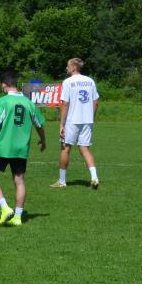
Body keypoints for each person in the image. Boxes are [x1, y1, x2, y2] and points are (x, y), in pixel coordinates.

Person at [0, 70, 46, 227]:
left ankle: (5, 208)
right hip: (21, 149)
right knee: (19, 181)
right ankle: (17, 217)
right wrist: (43, 139)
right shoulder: (29, 103)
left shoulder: (2, 101)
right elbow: (39, 124)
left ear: (4, 85)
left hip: (3, 147)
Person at [53, 57, 101, 190]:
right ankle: (94, 178)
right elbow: (96, 102)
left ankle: (62, 181)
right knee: (85, 149)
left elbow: (65, 103)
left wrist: (61, 124)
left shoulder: (68, 82)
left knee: (65, 148)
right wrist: (91, 117)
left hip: (72, 120)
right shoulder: (90, 81)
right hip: (87, 120)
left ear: (74, 67)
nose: (66, 68)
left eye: (68, 66)